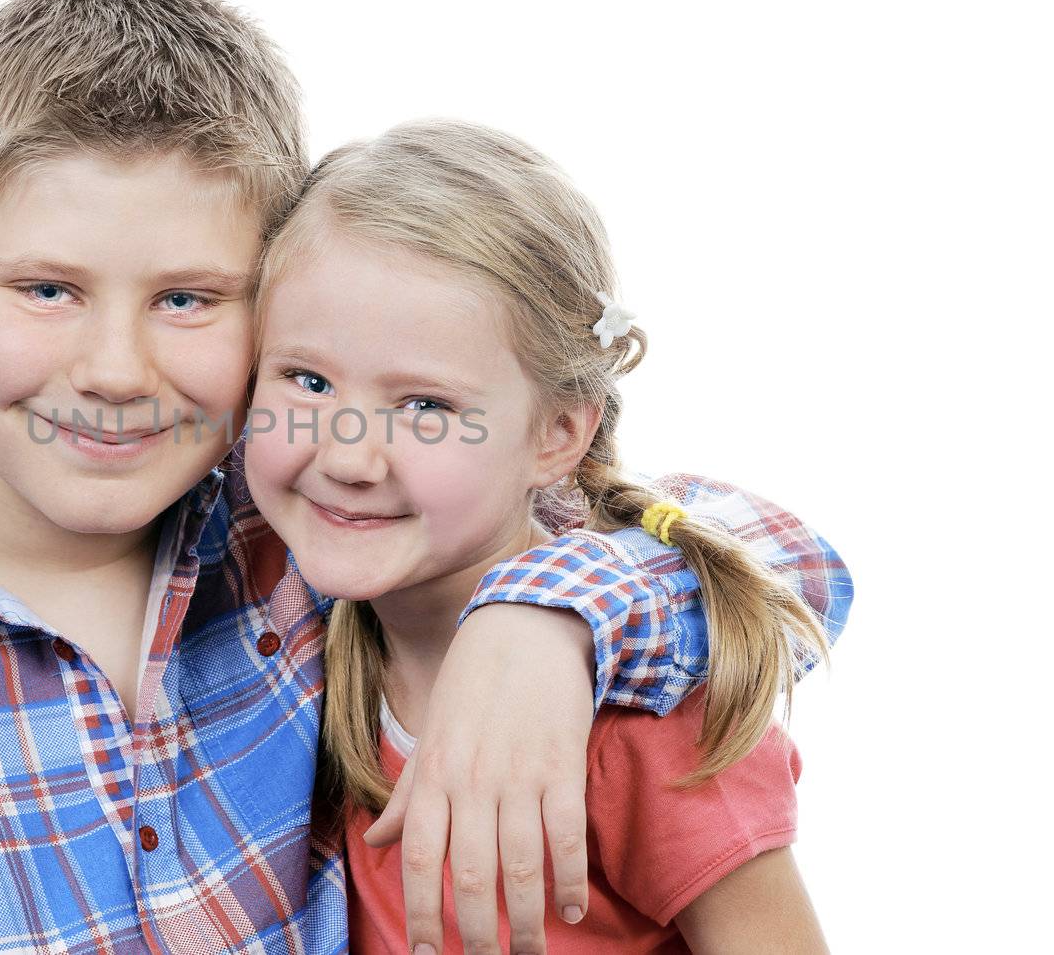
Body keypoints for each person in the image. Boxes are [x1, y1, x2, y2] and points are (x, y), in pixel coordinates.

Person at [0, 0, 850, 954]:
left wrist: (543, 619)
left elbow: (782, 557)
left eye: (188, 297)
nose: (116, 369)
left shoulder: (289, 500)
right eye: (46, 287)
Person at [244, 119, 847, 954]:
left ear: (557, 434)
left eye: (426, 406)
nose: (347, 455)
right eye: (308, 380)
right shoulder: (300, 648)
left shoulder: (643, 716)